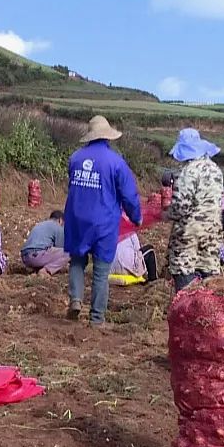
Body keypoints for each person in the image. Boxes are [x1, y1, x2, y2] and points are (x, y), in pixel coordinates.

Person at [64, 116, 141, 328]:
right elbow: (129, 195)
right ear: (108, 137)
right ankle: (96, 318)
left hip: (77, 218)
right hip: (104, 222)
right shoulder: (116, 162)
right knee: (101, 271)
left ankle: (76, 300)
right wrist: (136, 217)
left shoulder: (75, 158)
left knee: (77, 261)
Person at [167, 128, 224, 290]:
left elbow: (181, 207)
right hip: (212, 231)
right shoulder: (215, 170)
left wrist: (167, 214)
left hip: (189, 233)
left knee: (185, 275)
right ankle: (210, 312)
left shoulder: (188, 171)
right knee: (210, 277)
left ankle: (188, 311)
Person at [110, 219, 157, 285]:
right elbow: (138, 250)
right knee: (150, 249)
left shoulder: (109, 231)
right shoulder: (130, 232)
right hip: (128, 269)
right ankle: (153, 281)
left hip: (111, 269)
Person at [21, 210, 68, 275]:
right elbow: (61, 247)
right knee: (69, 252)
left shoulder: (41, 224)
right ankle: (46, 271)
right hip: (37, 255)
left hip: (25, 257)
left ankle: (37, 270)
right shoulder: (57, 226)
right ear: (60, 220)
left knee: (49, 250)